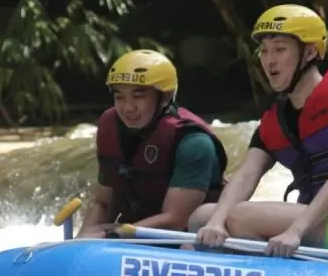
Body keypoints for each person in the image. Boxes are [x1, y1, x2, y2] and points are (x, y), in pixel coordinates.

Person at [189, 4, 328, 257]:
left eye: (280, 50)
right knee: (202, 217)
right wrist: (216, 222)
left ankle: (270, 273)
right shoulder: (277, 116)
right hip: (320, 219)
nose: (270, 60)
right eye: (265, 51)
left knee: (241, 217)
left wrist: (295, 231)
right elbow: (246, 174)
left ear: (310, 52)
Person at [76, 49, 228, 238]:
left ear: (165, 97)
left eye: (138, 96)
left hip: (186, 239)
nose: (128, 108)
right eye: (119, 97)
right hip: (133, 232)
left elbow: (176, 220)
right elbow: (105, 203)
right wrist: (81, 242)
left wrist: (112, 236)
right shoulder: (110, 126)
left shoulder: (193, 142)